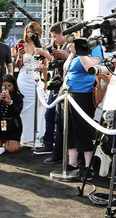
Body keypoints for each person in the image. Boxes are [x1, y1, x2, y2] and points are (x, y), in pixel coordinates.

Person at [63, 44, 104, 182]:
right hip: (70, 93)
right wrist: (72, 52)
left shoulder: (94, 47)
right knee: (70, 129)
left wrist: (79, 51)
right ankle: (72, 162)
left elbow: (90, 68)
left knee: (84, 129)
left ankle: (88, 166)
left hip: (85, 93)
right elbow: (66, 69)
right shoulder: (75, 52)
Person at [34, 21, 70, 158]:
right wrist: (45, 68)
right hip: (56, 85)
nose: (54, 39)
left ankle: (55, 149)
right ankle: (50, 145)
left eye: (55, 36)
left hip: (64, 87)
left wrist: (46, 54)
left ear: (63, 34)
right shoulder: (58, 46)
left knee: (57, 119)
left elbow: (67, 65)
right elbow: (56, 64)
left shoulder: (68, 47)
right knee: (50, 116)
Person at [15, 21, 52, 146]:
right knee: (24, 107)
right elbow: (18, 66)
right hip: (23, 79)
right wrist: (20, 56)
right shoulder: (22, 45)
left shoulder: (42, 47)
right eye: (28, 32)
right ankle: (24, 137)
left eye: (32, 32)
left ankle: (36, 136)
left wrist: (45, 82)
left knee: (39, 107)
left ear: (38, 33)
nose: (30, 34)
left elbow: (45, 66)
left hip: (36, 80)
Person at [0, 74, 24, 156]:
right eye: (4, 86)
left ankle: (8, 143)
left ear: (13, 86)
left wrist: (10, 103)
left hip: (13, 125)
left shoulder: (17, 96)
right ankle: (2, 142)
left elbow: (17, 113)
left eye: (9, 86)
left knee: (12, 149)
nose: (6, 88)